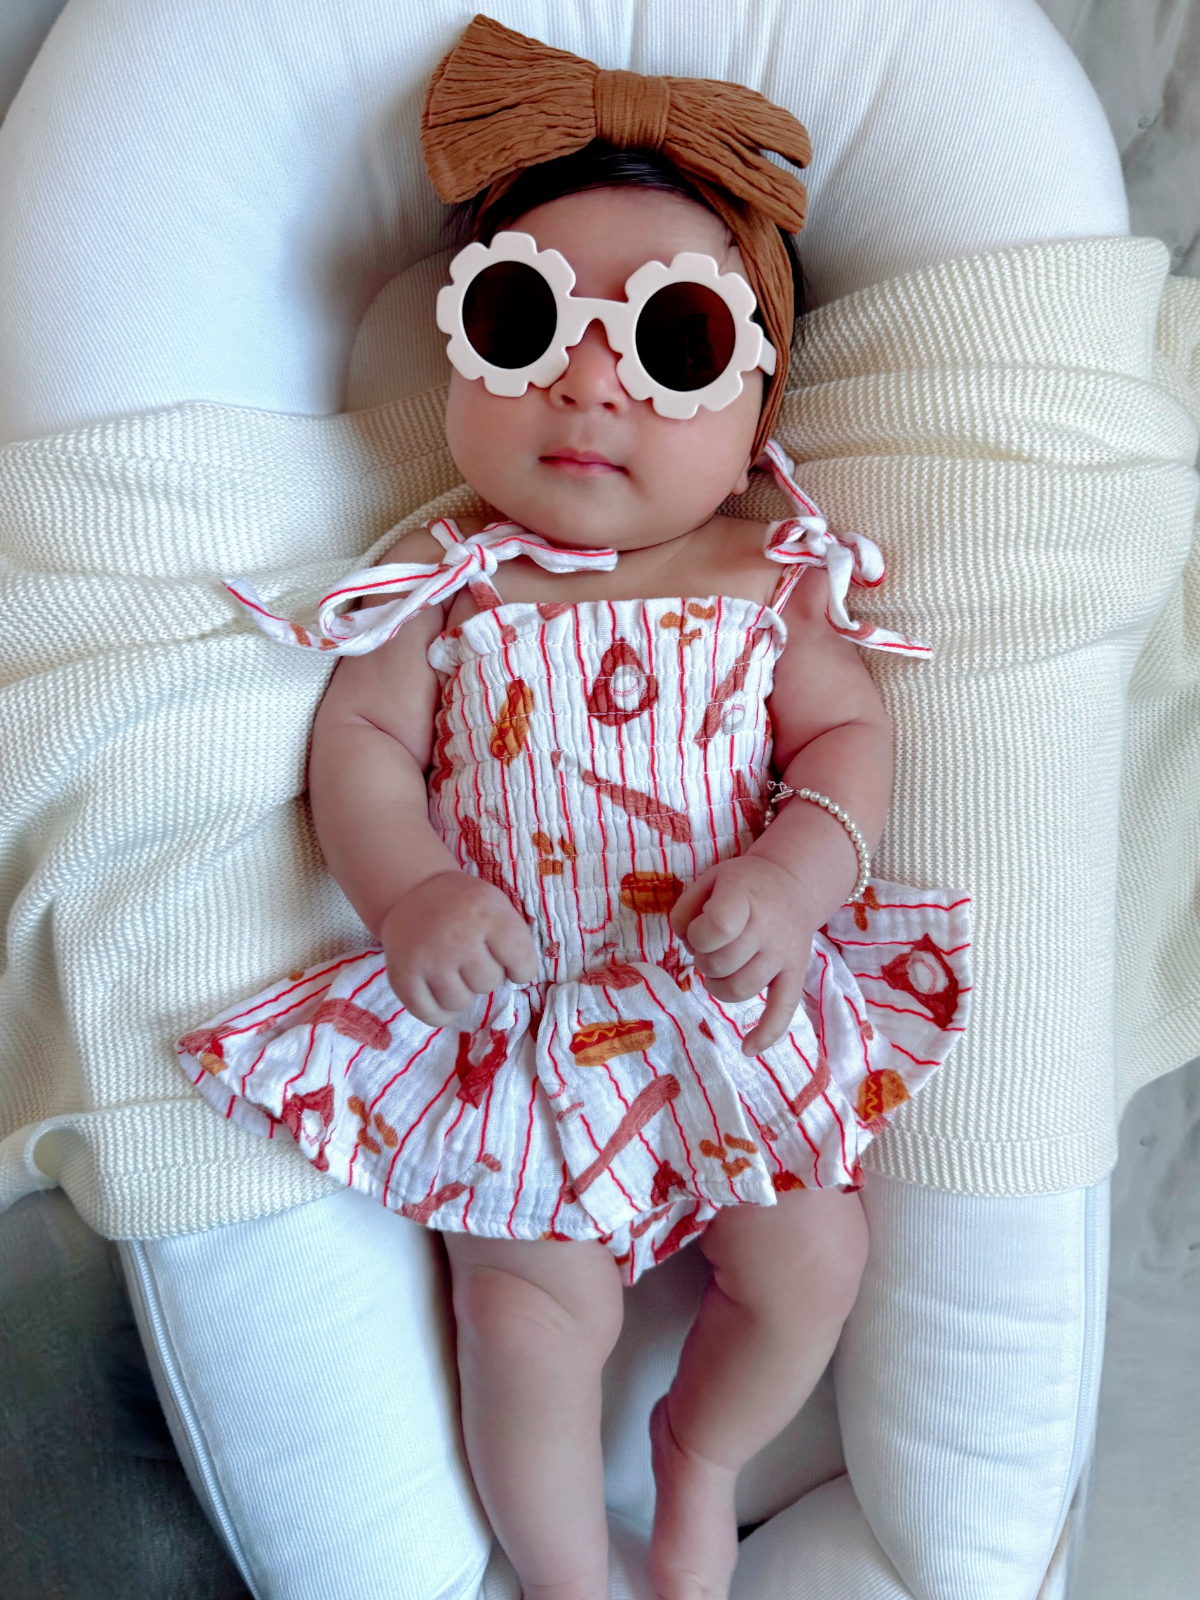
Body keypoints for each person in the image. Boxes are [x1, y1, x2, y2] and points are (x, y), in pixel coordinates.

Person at [179, 19, 970, 1600]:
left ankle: (702, 1457)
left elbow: (845, 745)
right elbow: (363, 756)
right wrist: (409, 895)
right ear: (458, 350)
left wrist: (804, 871)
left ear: (756, 404)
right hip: (518, 1031)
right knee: (525, 1322)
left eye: (671, 342)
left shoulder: (776, 576)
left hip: (732, 998)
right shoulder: (448, 582)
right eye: (529, 321)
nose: (595, 378)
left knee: (814, 1262)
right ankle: (565, 1577)